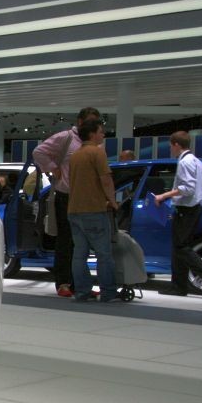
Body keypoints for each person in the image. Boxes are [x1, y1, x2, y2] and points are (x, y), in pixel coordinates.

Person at [33, 106, 101, 297]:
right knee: (66, 241)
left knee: (83, 244)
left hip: (87, 198)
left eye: (95, 123)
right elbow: (39, 152)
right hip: (66, 195)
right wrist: (53, 168)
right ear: (80, 122)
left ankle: (81, 284)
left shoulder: (96, 144)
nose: (92, 126)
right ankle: (63, 283)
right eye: (89, 121)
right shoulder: (66, 137)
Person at [67, 119, 119, 302]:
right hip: (94, 209)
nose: (103, 134)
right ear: (92, 134)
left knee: (79, 254)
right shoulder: (97, 152)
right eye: (100, 131)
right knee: (103, 254)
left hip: (74, 210)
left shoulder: (75, 156)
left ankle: (82, 291)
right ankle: (108, 292)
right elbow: (106, 180)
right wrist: (113, 201)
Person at [154, 131, 202, 296]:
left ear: (176, 145)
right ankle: (178, 286)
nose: (170, 149)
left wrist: (163, 195)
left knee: (181, 247)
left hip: (186, 209)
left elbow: (187, 188)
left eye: (170, 146)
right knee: (178, 247)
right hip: (194, 207)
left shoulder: (185, 162)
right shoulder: (197, 161)